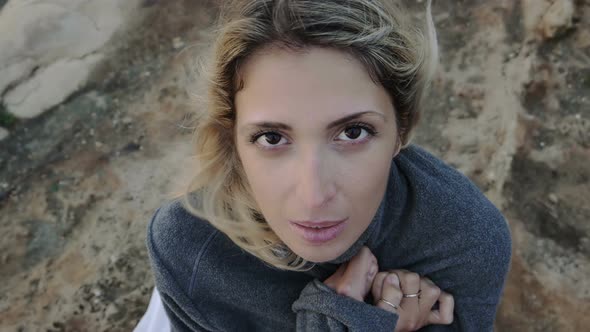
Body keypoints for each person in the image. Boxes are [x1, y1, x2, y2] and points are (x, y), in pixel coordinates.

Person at [144, 0, 512, 331]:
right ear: (233, 140)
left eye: (353, 132)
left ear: (402, 130)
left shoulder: (463, 240)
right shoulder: (190, 249)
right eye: (272, 138)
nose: (314, 196)